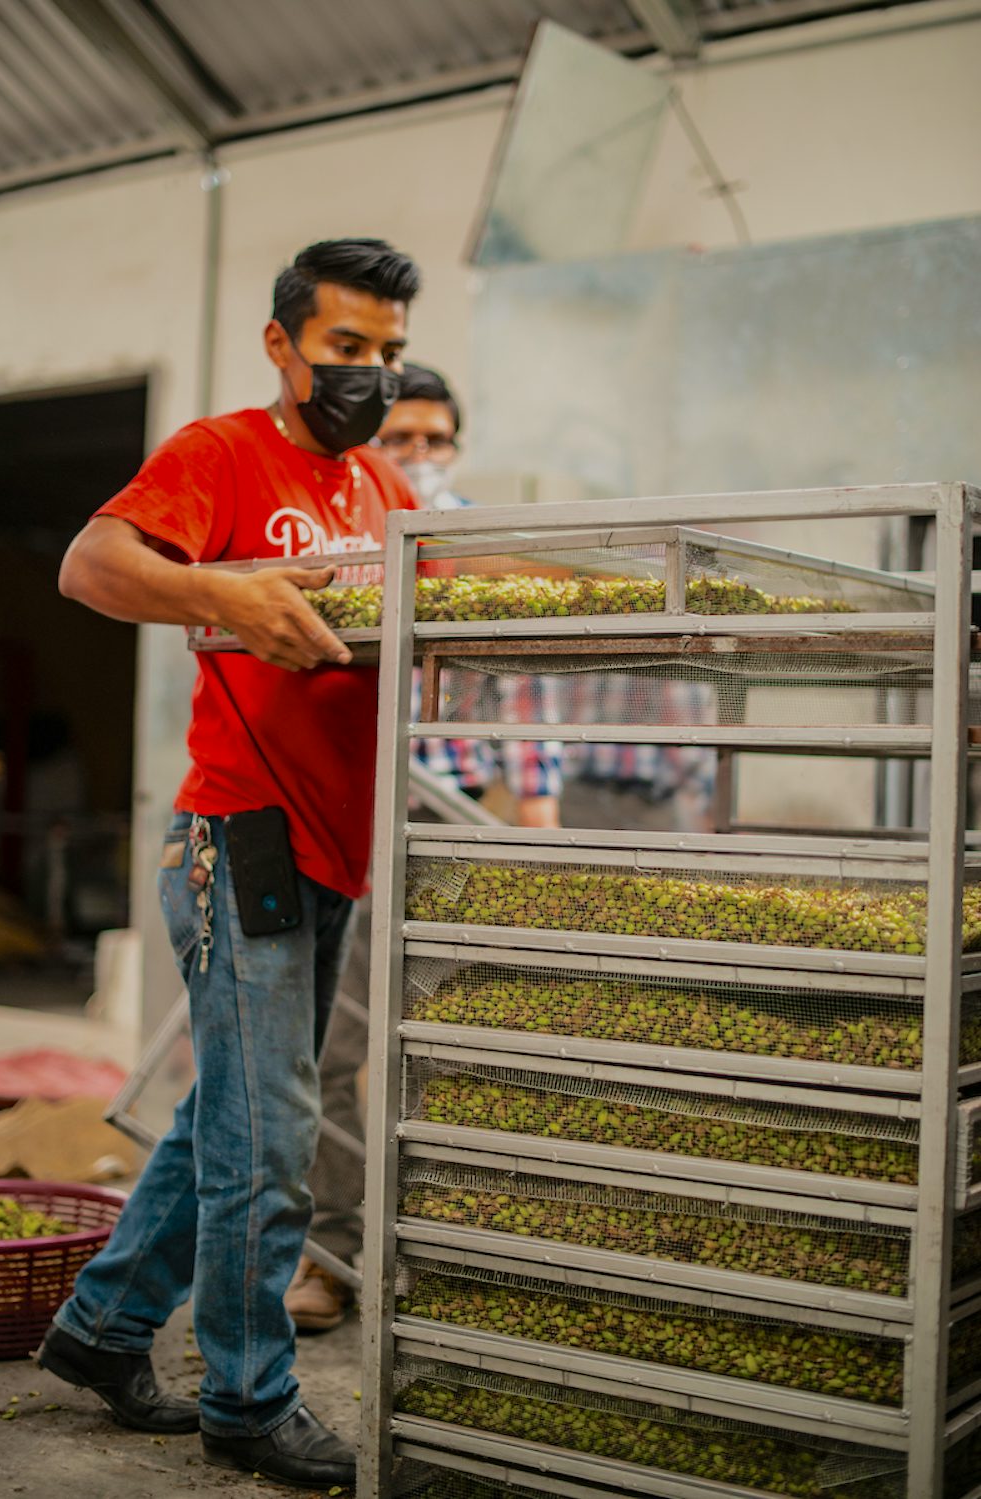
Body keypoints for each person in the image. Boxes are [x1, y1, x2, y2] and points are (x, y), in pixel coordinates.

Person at [38, 238, 423, 1492]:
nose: (368, 374)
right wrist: (232, 593)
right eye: (346, 348)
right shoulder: (219, 454)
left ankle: (101, 1331)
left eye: (386, 352)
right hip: (241, 833)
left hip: (336, 852)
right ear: (282, 343)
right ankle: (250, 1398)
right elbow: (91, 566)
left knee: (231, 1115)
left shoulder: (379, 492)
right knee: (270, 1139)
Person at [284, 365, 562, 1332]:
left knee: (452, 1044)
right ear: (368, 444)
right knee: (333, 1044)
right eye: (400, 438)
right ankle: (331, 1256)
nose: (420, 456)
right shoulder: (343, 540)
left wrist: (536, 819)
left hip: (448, 824)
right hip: (350, 817)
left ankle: (447, 1257)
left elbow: (525, 690)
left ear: (456, 448)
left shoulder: (475, 546)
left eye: (435, 440)